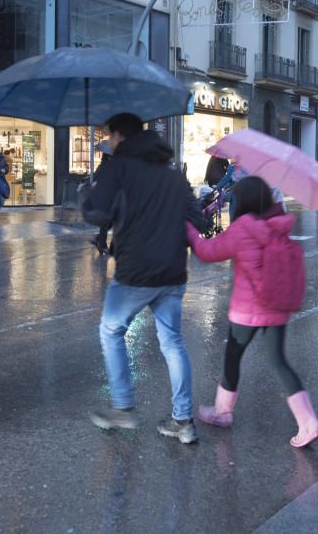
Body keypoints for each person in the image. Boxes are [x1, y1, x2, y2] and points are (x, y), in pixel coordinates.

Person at [83, 113, 198, 444]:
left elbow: (97, 213)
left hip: (136, 272)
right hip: (174, 270)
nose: (108, 141)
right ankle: (183, 421)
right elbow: (195, 214)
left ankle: (123, 407)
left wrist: (88, 194)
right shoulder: (173, 173)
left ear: (119, 136)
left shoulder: (117, 167)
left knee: (110, 329)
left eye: (109, 136)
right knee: (173, 342)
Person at [186, 176, 318, 448]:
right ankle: (308, 422)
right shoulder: (278, 224)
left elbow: (206, 251)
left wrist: (189, 229)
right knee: (278, 360)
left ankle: (223, 412)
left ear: (243, 201)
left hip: (247, 310)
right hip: (277, 304)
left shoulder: (242, 229)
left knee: (233, 356)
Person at [90, 140, 114, 255]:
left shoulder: (107, 167)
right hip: (103, 199)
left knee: (110, 221)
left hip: (108, 198)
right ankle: (102, 244)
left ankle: (99, 240)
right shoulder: (103, 167)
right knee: (107, 221)